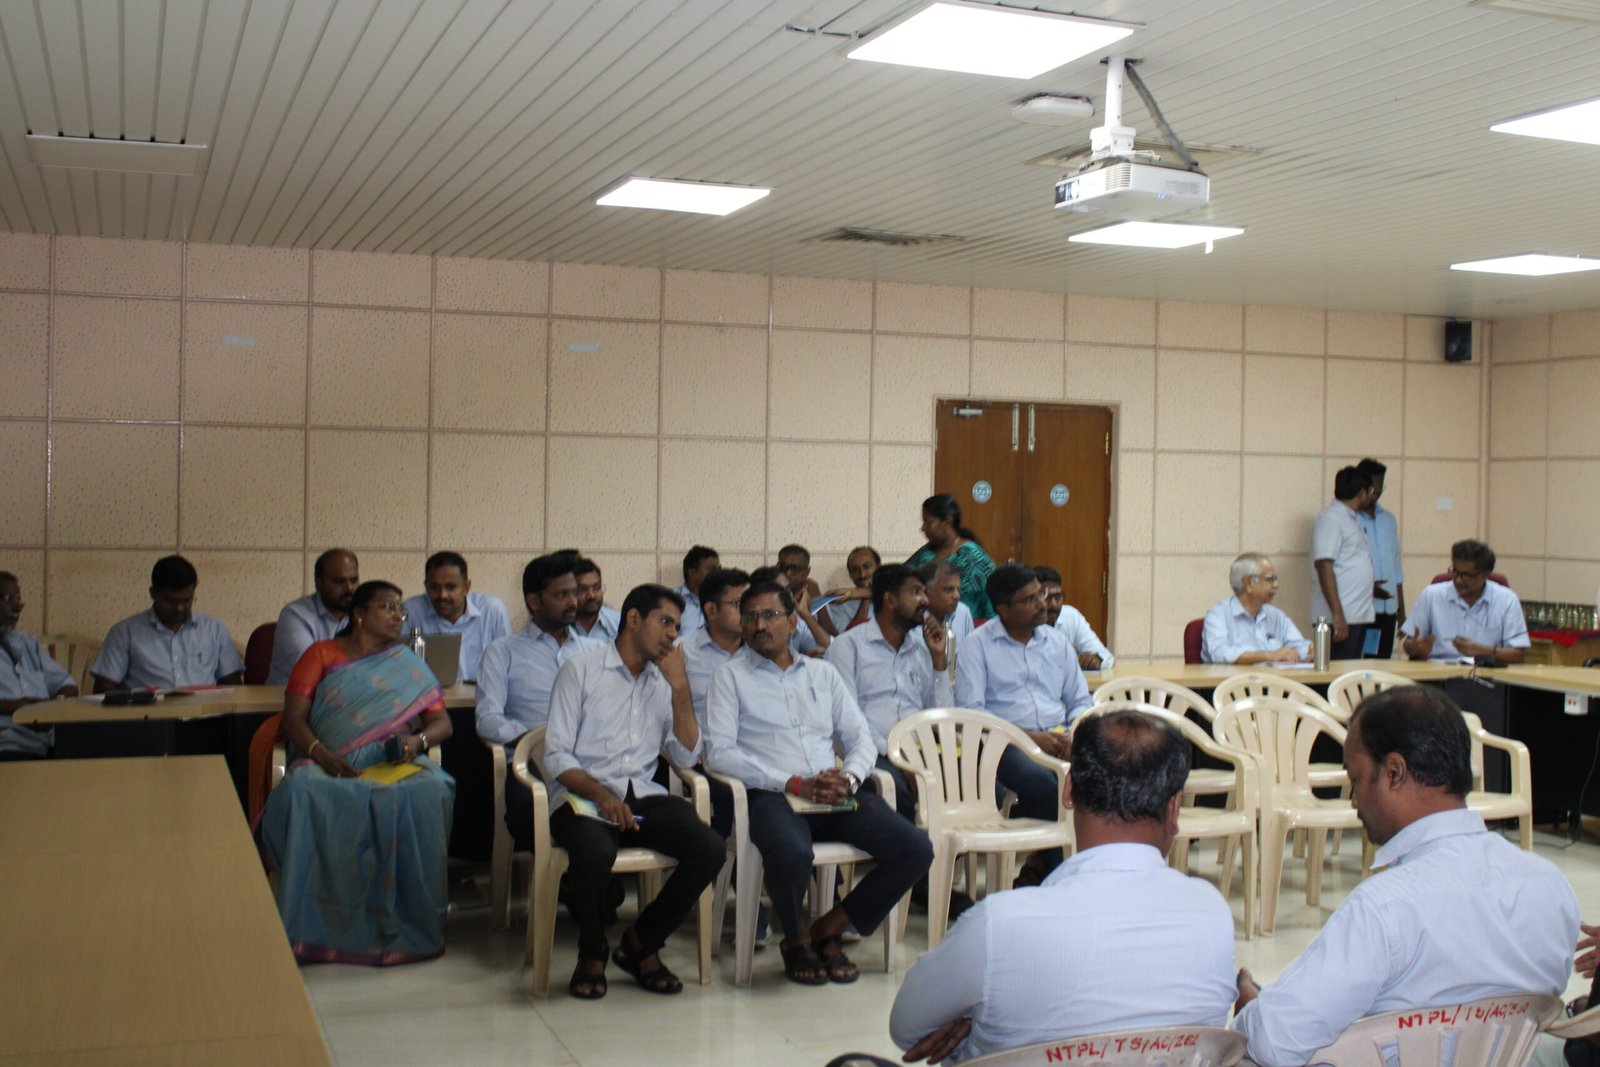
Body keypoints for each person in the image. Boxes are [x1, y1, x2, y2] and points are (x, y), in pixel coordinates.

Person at [1233, 685, 1579, 1067]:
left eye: (1356, 779)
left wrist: (1251, 1005)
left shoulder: (1384, 907)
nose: (1354, 800)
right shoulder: (1550, 886)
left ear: (1394, 772)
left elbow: (1274, 1041)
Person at [890, 710, 1237, 1065]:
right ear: (1174, 808)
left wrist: (973, 1023)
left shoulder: (1001, 925)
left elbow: (907, 1028)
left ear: (1068, 790)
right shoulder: (1212, 915)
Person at [705, 580, 933, 986]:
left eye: (770, 615)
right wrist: (793, 783)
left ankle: (828, 927)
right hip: (773, 795)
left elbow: (860, 738)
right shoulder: (729, 677)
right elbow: (720, 752)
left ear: (793, 622)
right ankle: (795, 940)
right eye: (750, 616)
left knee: (915, 848)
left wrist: (849, 777)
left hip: (831, 794)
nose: (760, 625)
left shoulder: (823, 673)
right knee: (792, 852)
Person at [259, 580, 456, 965]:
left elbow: (442, 724)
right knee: (303, 790)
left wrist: (415, 744)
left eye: (401, 609)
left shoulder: (406, 661)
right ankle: (316, 927)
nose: (398, 616)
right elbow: (293, 719)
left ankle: (408, 928)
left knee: (433, 788)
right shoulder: (321, 653)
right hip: (328, 760)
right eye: (388, 607)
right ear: (360, 614)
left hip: (392, 761)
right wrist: (322, 755)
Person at [545, 584, 726, 999]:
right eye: (665, 622)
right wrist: (601, 796)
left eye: (677, 627)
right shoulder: (581, 669)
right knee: (594, 850)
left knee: (709, 848)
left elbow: (687, 754)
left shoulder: (663, 681)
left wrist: (680, 689)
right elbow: (555, 755)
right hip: (582, 797)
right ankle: (592, 951)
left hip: (641, 796)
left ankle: (641, 942)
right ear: (633, 619)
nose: (673, 635)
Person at [954, 563, 1091, 883]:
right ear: (1004, 609)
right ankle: (1061, 877)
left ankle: (1047, 868)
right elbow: (972, 713)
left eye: (1040, 594)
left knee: (1106, 773)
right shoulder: (977, 645)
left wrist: (1074, 732)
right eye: (1030, 599)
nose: (1042, 604)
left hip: (1060, 736)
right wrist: (1028, 737)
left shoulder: (1057, 642)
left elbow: (1081, 700)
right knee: (1045, 785)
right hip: (1003, 743)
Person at [476, 554, 604, 849]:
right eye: (562, 595)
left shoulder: (596, 650)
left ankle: (589, 863)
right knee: (529, 810)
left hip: (592, 759)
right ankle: (566, 868)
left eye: (574, 593)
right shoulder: (502, 651)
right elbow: (487, 719)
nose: (573, 601)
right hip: (532, 762)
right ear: (534, 601)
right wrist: (539, 742)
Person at [824, 563, 951, 820]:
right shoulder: (848, 647)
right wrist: (897, 754)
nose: (925, 600)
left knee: (984, 785)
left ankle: (949, 845)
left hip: (921, 747)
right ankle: (913, 845)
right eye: (916, 592)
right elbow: (847, 721)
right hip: (870, 749)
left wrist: (939, 662)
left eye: (924, 592)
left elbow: (941, 716)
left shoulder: (922, 647)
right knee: (900, 790)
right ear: (890, 599)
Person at [90, 555, 244, 692]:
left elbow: (233, 684)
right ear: (153, 593)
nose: (179, 608)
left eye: (186, 600)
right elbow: (104, 686)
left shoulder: (214, 630)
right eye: (170, 601)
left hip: (205, 713)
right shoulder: (125, 632)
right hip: (147, 713)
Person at [679, 566, 750, 837]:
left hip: (757, 751)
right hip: (704, 756)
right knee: (733, 788)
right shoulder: (682, 652)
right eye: (739, 605)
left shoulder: (762, 652)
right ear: (711, 610)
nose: (750, 612)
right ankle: (726, 855)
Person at [1401, 540, 1529, 664]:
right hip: (1439, 671)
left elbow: (1517, 654)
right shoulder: (1432, 595)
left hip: (1486, 672)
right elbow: (1408, 645)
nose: (1458, 580)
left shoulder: (1506, 599)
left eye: (1466, 575)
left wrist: (1481, 651)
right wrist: (1415, 647)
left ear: (1485, 575)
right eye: (1455, 572)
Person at [400, 551, 511, 682]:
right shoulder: (410, 611)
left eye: (450, 587)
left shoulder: (492, 610)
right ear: (426, 587)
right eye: (434, 587)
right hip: (428, 693)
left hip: (481, 694)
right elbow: (398, 662)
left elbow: (508, 663)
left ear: (466, 587)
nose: (442, 595)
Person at [0, 572, 75, 759]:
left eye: (18, 600)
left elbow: (66, 683)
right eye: (9, 599)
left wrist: (58, 704)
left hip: (50, 739)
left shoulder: (27, 642)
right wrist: (23, 708)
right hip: (8, 742)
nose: (17, 607)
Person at [1311, 466, 1376, 660]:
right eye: (1371, 491)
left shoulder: (1352, 519)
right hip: (1339, 617)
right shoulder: (1331, 518)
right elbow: (1324, 565)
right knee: (1337, 672)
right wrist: (1337, 614)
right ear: (1362, 493)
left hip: (1356, 613)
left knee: (1352, 670)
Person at [269, 548, 360, 685]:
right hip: (290, 696)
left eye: (354, 580)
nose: (349, 588)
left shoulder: (363, 613)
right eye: (338, 581)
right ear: (319, 584)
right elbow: (311, 667)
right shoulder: (295, 614)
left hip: (347, 694)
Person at [1202, 553, 1312, 664]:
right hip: (1235, 676)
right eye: (1270, 579)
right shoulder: (1218, 615)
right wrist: (1269, 656)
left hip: (1274, 675)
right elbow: (1219, 654)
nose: (1276, 585)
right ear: (1249, 583)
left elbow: (1299, 646)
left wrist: (1310, 651)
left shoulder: (1276, 615)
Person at [906, 494, 996, 621]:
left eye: (928, 522)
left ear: (947, 522)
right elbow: (903, 579)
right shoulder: (927, 552)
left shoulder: (971, 555)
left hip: (965, 624)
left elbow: (990, 600)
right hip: (924, 622)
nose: (923, 528)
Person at [1356, 458, 1406, 659]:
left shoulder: (1389, 520)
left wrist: (1401, 611)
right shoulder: (1350, 519)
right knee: (1363, 661)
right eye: (1372, 488)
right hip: (1363, 608)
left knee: (1381, 661)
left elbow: (1396, 569)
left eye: (1380, 487)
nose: (1376, 493)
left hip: (1388, 609)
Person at [1034, 564, 1114, 670]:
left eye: (1057, 597)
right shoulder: (1023, 622)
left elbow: (1106, 657)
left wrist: (1095, 659)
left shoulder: (1070, 616)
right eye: (1047, 597)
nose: (1054, 604)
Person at [750, 564, 830, 655]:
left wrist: (805, 613)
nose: (789, 595)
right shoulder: (753, 624)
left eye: (788, 589)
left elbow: (830, 648)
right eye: (781, 591)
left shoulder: (795, 619)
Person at [820, 546, 880, 636]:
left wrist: (864, 592)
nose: (862, 574)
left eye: (866, 567)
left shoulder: (893, 596)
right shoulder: (839, 603)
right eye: (855, 569)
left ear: (878, 567)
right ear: (850, 574)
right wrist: (866, 598)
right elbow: (852, 638)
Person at [571, 557, 622, 640]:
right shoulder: (561, 627)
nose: (592, 595)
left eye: (597, 588)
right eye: (582, 590)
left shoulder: (618, 622)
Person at [674, 545, 720, 635]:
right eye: (712, 570)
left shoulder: (724, 601)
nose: (718, 574)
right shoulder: (671, 600)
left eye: (719, 569)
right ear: (692, 574)